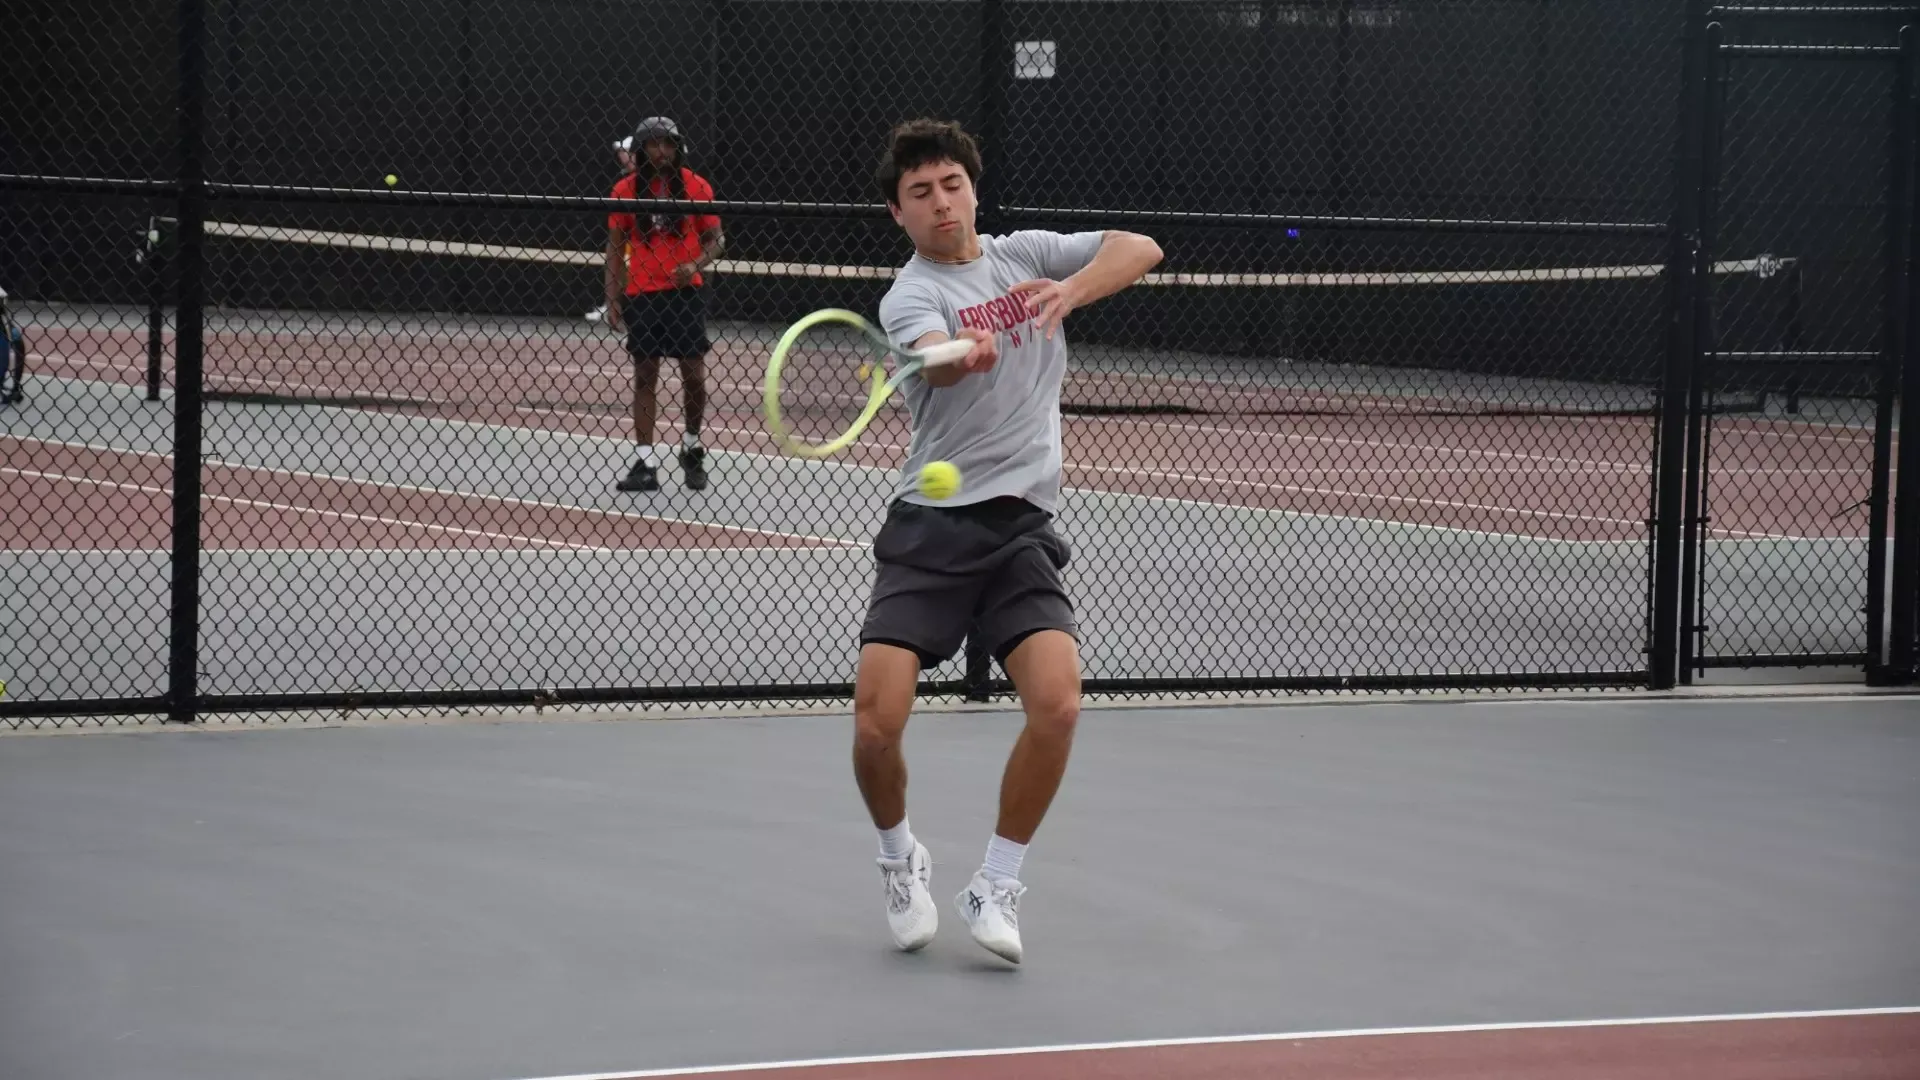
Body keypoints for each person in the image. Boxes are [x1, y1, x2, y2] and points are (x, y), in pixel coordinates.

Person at [857, 118, 1163, 964]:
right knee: (877, 725)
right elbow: (936, 359)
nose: (941, 202)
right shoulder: (909, 295)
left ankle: (996, 882)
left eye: (951, 184)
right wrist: (962, 352)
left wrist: (1069, 293)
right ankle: (898, 858)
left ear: (973, 189)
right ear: (899, 214)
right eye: (920, 193)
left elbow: (1141, 248)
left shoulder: (1026, 254)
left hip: (1020, 526)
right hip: (930, 528)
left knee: (1059, 705)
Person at [604, 116, 724, 492]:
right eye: (654, 144)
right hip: (642, 292)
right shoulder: (624, 191)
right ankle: (645, 460)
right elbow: (613, 246)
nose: (661, 151)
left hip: (686, 292)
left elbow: (718, 239)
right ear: (640, 151)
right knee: (645, 374)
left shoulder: (696, 186)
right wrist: (613, 297)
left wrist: (694, 265)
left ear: (678, 148)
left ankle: (691, 445)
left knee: (693, 374)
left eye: (668, 144)